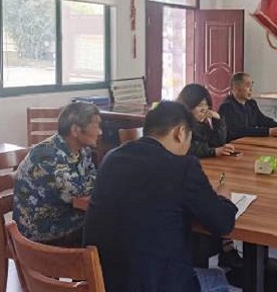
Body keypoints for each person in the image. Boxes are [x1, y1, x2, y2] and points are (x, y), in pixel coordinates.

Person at [83, 101, 236, 292]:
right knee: (219, 278)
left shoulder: (112, 157)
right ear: (180, 132)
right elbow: (222, 224)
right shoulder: (183, 167)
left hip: (103, 282)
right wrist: (223, 198)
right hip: (154, 284)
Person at [13, 102, 100, 246]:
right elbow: (77, 191)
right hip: (39, 231)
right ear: (76, 130)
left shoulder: (83, 150)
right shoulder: (48, 156)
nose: (100, 132)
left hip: (64, 215)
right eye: (95, 126)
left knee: (109, 223)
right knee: (106, 226)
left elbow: (93, 178)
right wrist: (99, 182)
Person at [177, 83, 244, 270]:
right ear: (188, 106)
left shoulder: (201, 124)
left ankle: (226, 248)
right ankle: (225, 248)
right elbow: (191, 149)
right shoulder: (182, 125)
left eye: (206, 105)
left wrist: (218, 120)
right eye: (199, 106)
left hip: (205, 169)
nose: (204, 109)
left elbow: (218, 141)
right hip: (195, 172)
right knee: (215, 202)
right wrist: (214, 151)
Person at [219, 72, 277, 142]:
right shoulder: (227, 107)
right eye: (247, 86)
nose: (251, 90)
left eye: (251, 86)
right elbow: (240, 131)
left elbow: (262, 120)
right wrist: (269, 131)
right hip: (233, 145)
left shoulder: (251, 103)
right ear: (235, 88)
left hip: (249, 142)